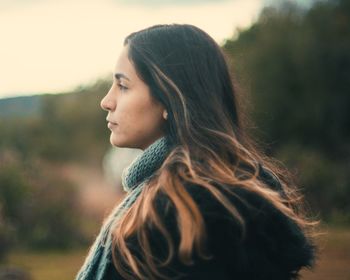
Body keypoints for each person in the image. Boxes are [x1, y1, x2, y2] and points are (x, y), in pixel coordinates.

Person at [76, 24, 317, 280]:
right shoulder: (211, 192)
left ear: (169, 98)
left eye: (123, 86)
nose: (107, 101)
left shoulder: (186, 209)